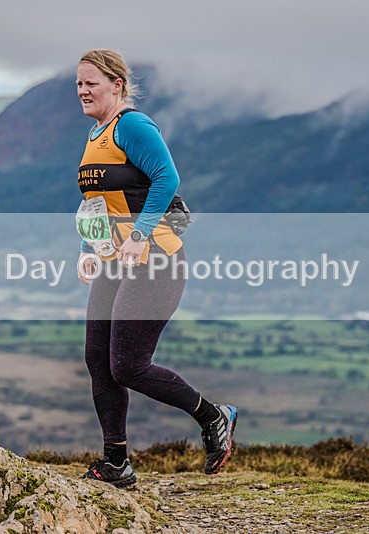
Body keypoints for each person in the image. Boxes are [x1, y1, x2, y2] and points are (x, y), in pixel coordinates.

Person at [74, 49, 237, 488]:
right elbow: (97, 203)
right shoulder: (95, 134)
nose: (83, 90)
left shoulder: (133, 125)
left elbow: (167, 178)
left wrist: (141, 234)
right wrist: (90, 246)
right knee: (97, 359)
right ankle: (116, 462)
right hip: (115, 261)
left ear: (117, 86)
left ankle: (213, 416)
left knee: (127, 364)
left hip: (155, 259)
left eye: (91, 83)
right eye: (79, 84)